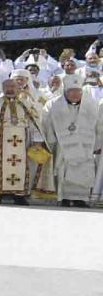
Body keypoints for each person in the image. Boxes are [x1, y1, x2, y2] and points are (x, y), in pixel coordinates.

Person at [43, 78, 101, 207]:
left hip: (85, 146)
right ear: (65, 91)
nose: (75, 94)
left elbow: (99, 125)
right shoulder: (53, 104)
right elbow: (47, 123)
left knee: (82, 170)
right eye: (71, 91)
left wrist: (97, 144)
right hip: (62, 146)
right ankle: (64, 198)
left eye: (78, 91)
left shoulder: (92, 104)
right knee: (64, 170)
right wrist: (52, 142)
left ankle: (81, 198)